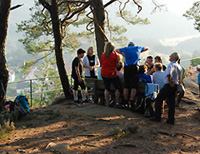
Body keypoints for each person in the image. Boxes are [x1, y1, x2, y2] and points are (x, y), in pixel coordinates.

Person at [151, 52, 182, 125]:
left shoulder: (171, 65)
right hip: (175, 85)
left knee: (159, 99)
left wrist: (170, 81)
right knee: (172, 103)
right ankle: (171, 120)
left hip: (169, 85)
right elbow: (180, 78)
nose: (169, 56)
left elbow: (168, 73)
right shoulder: (179, 66)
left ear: (174, 57)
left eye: (170, 56)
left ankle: (157, 117)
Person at [116, 42, 148, 107]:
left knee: (126, 86)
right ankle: (132, 101)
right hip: (135, 67)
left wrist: (122, 53)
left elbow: (117, 50)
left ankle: (126, 100)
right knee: (134, 86)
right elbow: (146, 48)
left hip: (127, 67)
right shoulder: (137, 48)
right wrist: (139, 52)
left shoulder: (125, 49)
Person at [100, 42, 121, 107]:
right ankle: (117, 102)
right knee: (118, 88)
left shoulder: (103, 55)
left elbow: (101, 64)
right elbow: (117, 65)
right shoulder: (114, 56)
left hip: (104, 73)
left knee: (107, 88)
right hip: (112, 73)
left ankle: (107, 102)